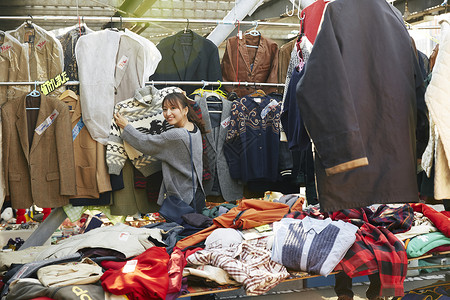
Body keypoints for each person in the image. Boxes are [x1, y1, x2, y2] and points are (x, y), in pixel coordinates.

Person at [114, 90, 207, 213]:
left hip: (184, 198)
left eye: (173, 108)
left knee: (182, 231)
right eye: (164, 109)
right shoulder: (194, 128)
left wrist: (126, 126)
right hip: (195, 192)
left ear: (185, 110)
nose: (168, 113)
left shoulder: (176, 135)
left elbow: (145, 142)